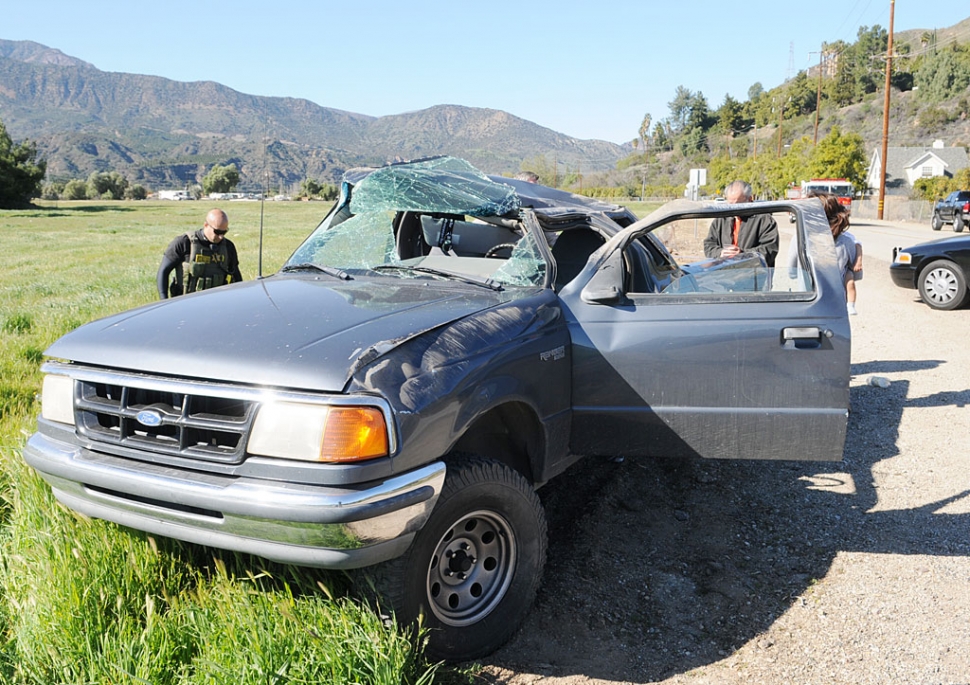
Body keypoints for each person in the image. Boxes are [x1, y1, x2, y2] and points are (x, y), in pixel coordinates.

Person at [157, 208, 242, 299]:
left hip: (217, 302)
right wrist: (164, 300)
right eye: (217, 232)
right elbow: (163, 271)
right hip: (186, 303)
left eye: (224, 232)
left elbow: (236, 276)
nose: (221, 237)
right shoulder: (184, 242)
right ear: (206, 225)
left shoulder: (228, 247)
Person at [703, 180, 779, 267]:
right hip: (724, 275)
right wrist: (720, 253)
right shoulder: (720, 219)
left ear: (750, 200)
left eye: (737, 204)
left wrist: (743, 254)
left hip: (754, 275)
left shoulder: (764, 220)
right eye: (730, 204)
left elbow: (770, 249)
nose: (733, 208)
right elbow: (708, 245)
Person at [809, 192, 862, 315]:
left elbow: (793, 272)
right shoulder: (846, 241)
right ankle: (851, 306)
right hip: (837, 302)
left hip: (809, 300)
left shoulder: (800, 239)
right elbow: (857, 274)